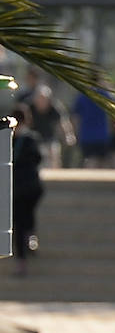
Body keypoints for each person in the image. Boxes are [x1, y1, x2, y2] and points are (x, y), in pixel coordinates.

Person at [9, 105, 44, 277]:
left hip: (24, 188)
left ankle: (22, 259)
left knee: (21, 222)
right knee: (23, 221)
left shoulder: (27, 140)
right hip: (26, 188)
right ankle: (30, 240)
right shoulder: (29, 139)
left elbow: (36, 158)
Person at [70, 90, 113, 168]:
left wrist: (76, 133)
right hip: (102, 136)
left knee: (90, 161)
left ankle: (89, 179)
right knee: (102, 162)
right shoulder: (105, 95)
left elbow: (75, 117)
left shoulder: (82, 96)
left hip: (87, 136)